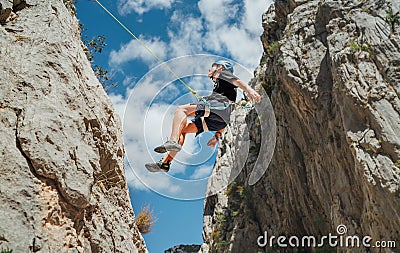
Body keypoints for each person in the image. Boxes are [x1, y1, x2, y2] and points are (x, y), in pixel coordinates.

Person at [145, 60, 261, 172]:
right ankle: (166, 163)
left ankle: (173, 141)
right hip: (219, 119)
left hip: (218, 107)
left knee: (181, 110)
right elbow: (225, 118)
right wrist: (217, 136)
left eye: (213, 66)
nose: (210, 69)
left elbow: (237, 81)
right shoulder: (221, 86)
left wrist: (249, 90)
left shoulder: (224, 75)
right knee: (183, 129)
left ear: (220, 68)